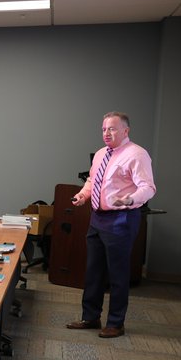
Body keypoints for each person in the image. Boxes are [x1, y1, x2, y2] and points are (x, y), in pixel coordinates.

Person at [67, 111, 156, 338]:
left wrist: (130, 199)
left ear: (125, 131)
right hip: (97, 217)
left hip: (121, 218)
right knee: (93, 271)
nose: (106, 133)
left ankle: (116, 323)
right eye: (104, 129)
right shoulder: (100, 154)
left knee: (117, 273)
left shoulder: (137, 154)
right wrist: (83, 195)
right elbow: (92, 179)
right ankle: (90, 317)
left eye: (112, 129)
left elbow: (148, 187)